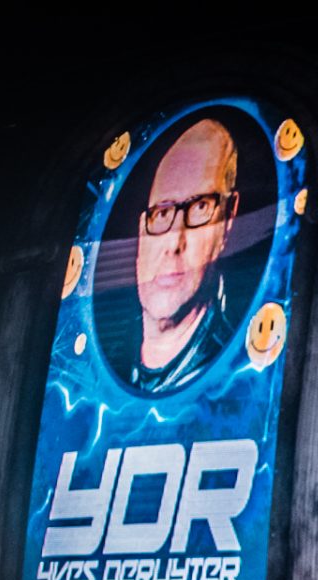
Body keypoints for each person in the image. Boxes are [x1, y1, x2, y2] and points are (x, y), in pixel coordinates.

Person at [130, 118, 239, 393]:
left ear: (228, 219)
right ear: (141, 230)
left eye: (200, 207)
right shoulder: (86, 369)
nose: (173, 242)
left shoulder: (235, 377)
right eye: (162, 213)